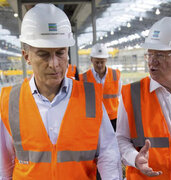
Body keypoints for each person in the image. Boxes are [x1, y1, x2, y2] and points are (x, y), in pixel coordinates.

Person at [0, 3, 122, 180]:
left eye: (60, 53)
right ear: (27, 56)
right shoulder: (9, 101)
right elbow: (4, 167)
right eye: (43, 54)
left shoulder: (91, 98)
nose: (54, 64)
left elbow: (108, 155)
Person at [116, 16, 171, 179]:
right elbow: (121, 139)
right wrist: (135, 158)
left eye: (160, 55)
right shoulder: (131, 93)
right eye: (149, 54)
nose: (152, 62)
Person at [79, 43, 121, 131]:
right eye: (96, 62)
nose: (99, 65)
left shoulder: (115, 75)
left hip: (112, 119)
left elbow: (120, 96)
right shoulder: (83, 78)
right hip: (92, 119)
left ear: (106, 60)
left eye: (102, 62)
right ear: (91, 60)